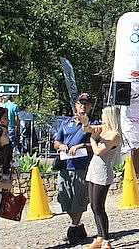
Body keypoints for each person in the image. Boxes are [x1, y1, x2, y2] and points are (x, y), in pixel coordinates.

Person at [53, 93, 94, 245]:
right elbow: (56, 141)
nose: (83, 106)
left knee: (79, 199)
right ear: (75, 105)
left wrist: (81, 145)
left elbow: (97, 144)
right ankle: (77, 225)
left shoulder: (93, 124)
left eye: (86, 103)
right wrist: (61, 146)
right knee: (64, 199)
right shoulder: (66, 123)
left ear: (90, 107)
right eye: (80, 103)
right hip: (64, 166)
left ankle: (73, 227)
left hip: (80, 167)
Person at [81, 106, 122, 249]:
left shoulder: (114, 135)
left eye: (104, 116)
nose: (102, 118)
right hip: (94, 170)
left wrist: (93, 139)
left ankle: (106, 239)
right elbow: (89, 129)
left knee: (99, 207)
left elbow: (99, 151)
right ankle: (99, 236)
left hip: (102, 172)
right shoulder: (104, 129)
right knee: (93, 206)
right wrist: (85, 122)